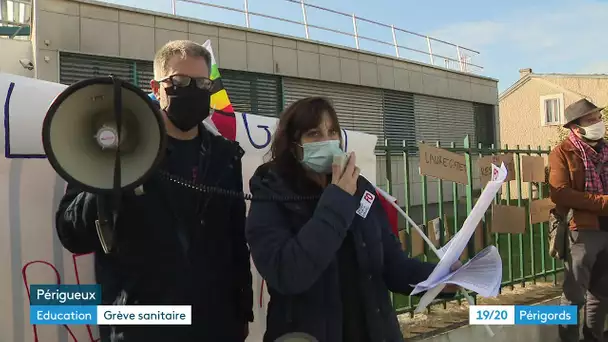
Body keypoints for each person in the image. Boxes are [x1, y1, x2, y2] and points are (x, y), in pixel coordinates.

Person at [55, 40, 253, 342]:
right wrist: (114, 171)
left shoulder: (225, 156)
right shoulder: (119, 149)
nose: (193, 90)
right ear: (156, 87)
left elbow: (236, 241)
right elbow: (72, 234)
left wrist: (242, 308)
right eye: (180, 82)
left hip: (215, 322)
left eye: (202, 83)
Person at [245, 97, 459, 342]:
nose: (327, 141)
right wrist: (337, 200)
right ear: (294, 146)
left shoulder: (361, 189)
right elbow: (288, 273)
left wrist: (441, 280)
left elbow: (392, 265)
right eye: (314, 134)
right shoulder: (272, 195)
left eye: (332, 131)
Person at [549, 98, 608, 342]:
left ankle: (593, 337)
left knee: (602, 293)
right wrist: (604, 203)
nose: (598, 122)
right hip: (580, 232)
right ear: (576, 126)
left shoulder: (606, 149)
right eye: (591, 119)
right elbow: (560, 192)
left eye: (598, 117)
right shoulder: (562, 152)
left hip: (606, 231)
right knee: (574, 296)